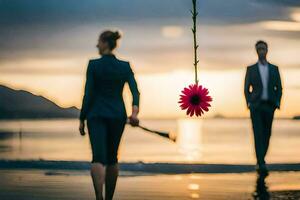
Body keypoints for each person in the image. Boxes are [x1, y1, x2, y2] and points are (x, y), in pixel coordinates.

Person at [79, 30, 140, 200]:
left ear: (105, 43)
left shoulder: (93, 65)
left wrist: (82, 119)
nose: (97, 45)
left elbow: (88, 94)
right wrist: (134, 113)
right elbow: (135, 92)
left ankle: (99, 197)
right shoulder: (124, 66)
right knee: (113, 158)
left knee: (98, 157)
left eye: (99, 41)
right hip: (117, 115)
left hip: (96, 115)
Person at [244, 40, 282, 175]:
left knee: (267, 134)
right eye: (259, 49)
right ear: (256, 51)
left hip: (269, 106)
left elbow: (279, 87)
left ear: (267, 50)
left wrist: (277, 103)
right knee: (257, 134)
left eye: (263, 48)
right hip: (256, 106)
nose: (261, 51)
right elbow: (246, 88)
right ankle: (261, 162)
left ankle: (261, 159)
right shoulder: (251, 69)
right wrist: (249, 103)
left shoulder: (274, 69)